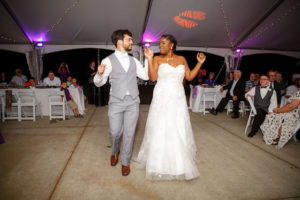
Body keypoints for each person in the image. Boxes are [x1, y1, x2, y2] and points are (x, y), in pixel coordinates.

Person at [136, 34, 206, 180]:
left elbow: (189, 77)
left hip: (178, 98)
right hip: (162, 96)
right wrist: (149, 59)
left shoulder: (181, 59)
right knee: (161, 126)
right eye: (160, 44)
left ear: (171, 45)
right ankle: (158, 162)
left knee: (178, 126)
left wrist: (200, 63)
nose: (160, 46)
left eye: (163, 43)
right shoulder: (156, 58)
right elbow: (153, 78)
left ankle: (179, 162)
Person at [94, 29, 150, 176]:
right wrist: (99, 74)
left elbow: (145, 76)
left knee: (130, 134)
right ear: (120, 42)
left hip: (133, 101)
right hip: (116, 101)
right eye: (129, 39)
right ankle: (115, 151)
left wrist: (149, 60)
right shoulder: (107, 61)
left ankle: (125, 162)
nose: (132, 42)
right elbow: (99, 83)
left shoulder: (134, 60)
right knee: (114, 132)